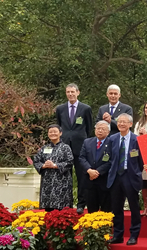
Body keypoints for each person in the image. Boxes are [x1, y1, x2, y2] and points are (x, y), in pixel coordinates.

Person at [55, 83, 93, 214]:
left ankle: (81, 204)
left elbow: (89, 128)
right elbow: (59, 126)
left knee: (82, 176)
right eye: (68, 92)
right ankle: (66, 203)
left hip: (80, 146)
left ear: (78, 92)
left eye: (72, 92)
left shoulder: (85, 108)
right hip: (65, 146)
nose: (70, 94)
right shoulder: (60, 109)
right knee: (65, 175)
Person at [106, 113, 143, 245]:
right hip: (116, 176)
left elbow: (141, 161)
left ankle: (134, 234)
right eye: (119, 122)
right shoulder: (112, 139)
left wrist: (137, 172)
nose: (121, 124)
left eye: (124, 122)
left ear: (130, 124)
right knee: (116, 207)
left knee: (134, 206)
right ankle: (118, 234)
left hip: (130, 176)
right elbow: (109, 158)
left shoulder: (136, 139)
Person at [32, 125, 74, 211]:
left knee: (62, 207)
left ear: (60, 133)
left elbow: (70, 162)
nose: (53, 133)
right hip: (47, 182)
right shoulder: (44, 148)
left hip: (62, 182)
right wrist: (44, 165)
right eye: (50, 132)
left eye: (55, 131)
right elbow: (36, 161)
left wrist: (55, 165)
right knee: (48, 209)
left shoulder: (65, 147)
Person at [78, 121, 112, 213]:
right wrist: (89, 170)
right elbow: (82, 157)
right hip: (89, 180)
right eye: (98, 128)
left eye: (103, 129)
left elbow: (112, 160)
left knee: (106, 210)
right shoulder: (87, 142)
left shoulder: (112, 143)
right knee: (92, 210)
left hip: (104, 180)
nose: (100, 131)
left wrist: (98, 172)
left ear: (108, 132)